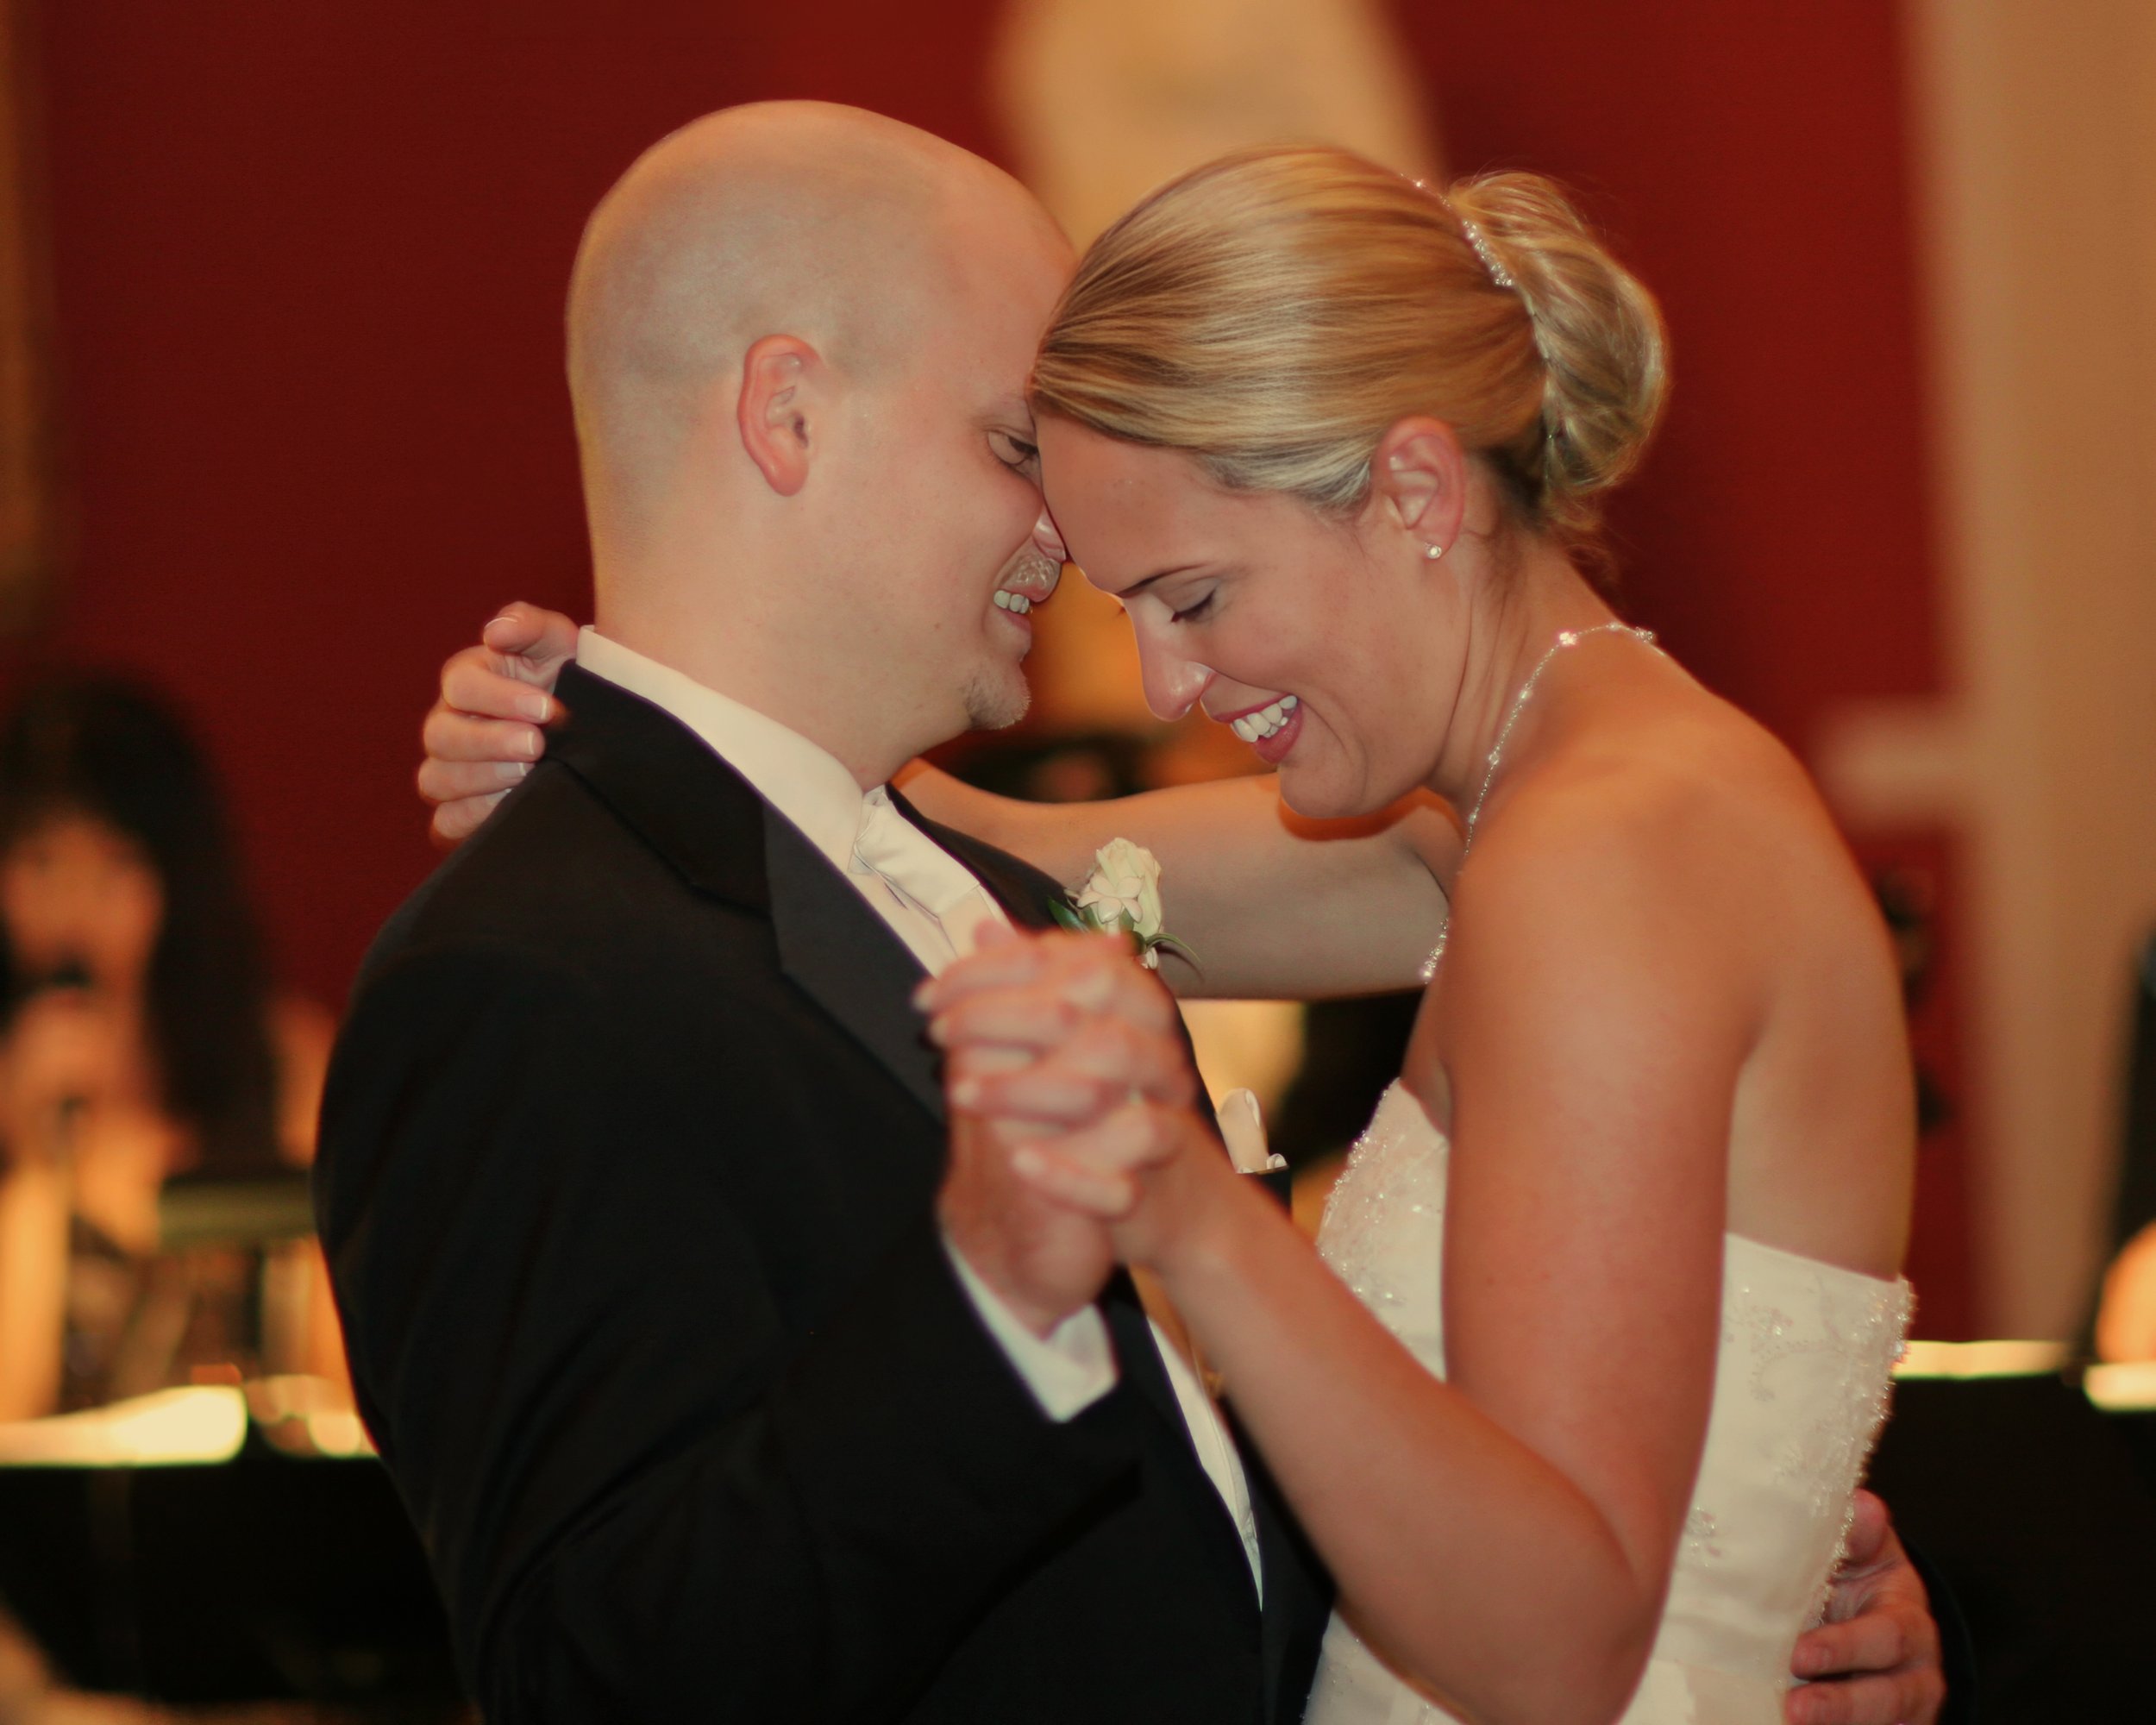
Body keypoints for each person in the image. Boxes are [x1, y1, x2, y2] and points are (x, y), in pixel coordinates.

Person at [399, 112, 1946, 1722]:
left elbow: (1560, 1645)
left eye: (1196, 598)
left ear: (1415, 485)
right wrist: (664, 771)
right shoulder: (1527, 821)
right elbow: (1046, 860)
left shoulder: (1600, 856)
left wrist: (1184, 1215)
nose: (1165, 686)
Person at [0, 672, 336, 1423]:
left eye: (116, 865)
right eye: (41, 864)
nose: (74, 913)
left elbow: (343, 1397)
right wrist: (31, 1165)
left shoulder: (281, 1067)